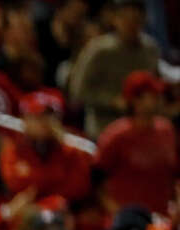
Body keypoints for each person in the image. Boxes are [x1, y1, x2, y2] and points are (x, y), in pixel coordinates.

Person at [67, 0, 160, 138]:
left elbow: (155, 83)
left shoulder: (150, 49)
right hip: (104, 127)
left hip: (141, 126)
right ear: (115, 19)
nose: (130, 24)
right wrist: (111, 101)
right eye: (125, 18)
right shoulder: (99, 50)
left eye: (135, 19)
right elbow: (77, 90)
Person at [95, 72, 177, 215]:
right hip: (127, 221)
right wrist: (116, 212)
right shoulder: (116, 135)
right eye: (152, 95)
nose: (158, 99)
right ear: (135, 100)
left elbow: (174, 173)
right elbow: (96, 179)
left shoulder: (167, 130)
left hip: (161, 217)